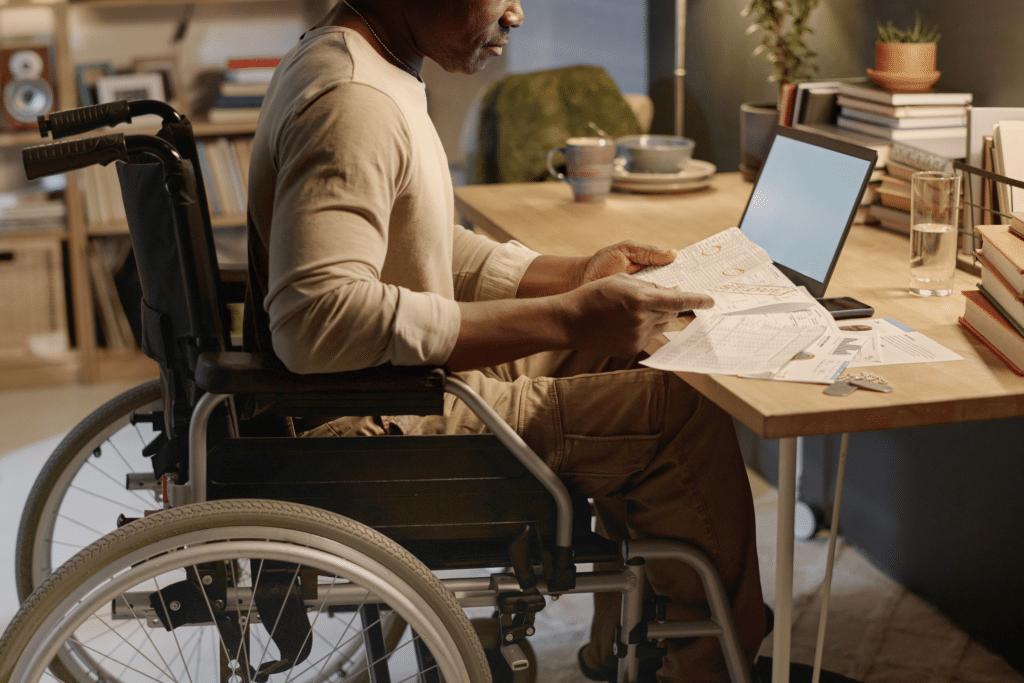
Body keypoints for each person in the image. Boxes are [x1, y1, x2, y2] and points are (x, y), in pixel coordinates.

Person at [242, 1, 766, 680]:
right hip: (370, 419)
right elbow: (316, 321)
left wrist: (573, 276)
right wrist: (570, 318)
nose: (517, 12)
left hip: (389, 385)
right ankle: (712, 655)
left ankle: (642, 634)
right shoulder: (356, 101)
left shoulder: (356, 59)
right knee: (680, 406)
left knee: (639, 343)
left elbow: (420, 239)